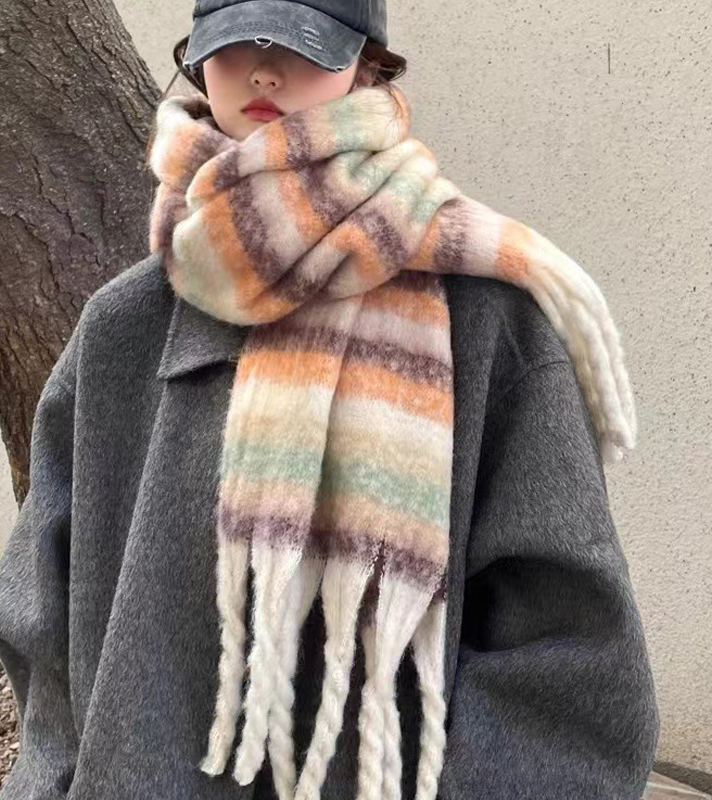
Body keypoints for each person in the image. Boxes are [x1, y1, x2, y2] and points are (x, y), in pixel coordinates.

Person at [0, 1, 660, 798]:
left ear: (369, 65)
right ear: (195, 58)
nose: (264, 71)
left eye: (302, 46)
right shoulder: (125, 326)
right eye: (235, 44)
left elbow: (569, 659)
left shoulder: (487, 319)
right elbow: (43, 619)